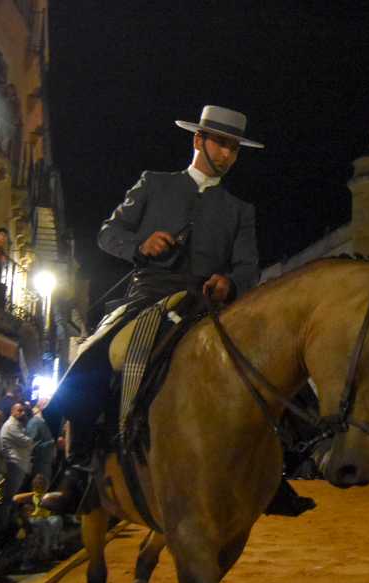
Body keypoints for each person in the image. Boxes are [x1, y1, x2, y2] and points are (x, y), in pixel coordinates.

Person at [45, 106, 311, 517]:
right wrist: (139, 246)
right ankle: (77, 468)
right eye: (221, 144)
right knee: (96, 357)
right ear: (198, 140)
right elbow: (107, 233)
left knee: (277, 366)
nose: (227, 154)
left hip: (208, 305)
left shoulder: (240, 210)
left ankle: (275, 470)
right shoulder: (154, 183)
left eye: (234, 148)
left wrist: (230, 282)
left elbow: (247, 267)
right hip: (150, 296)